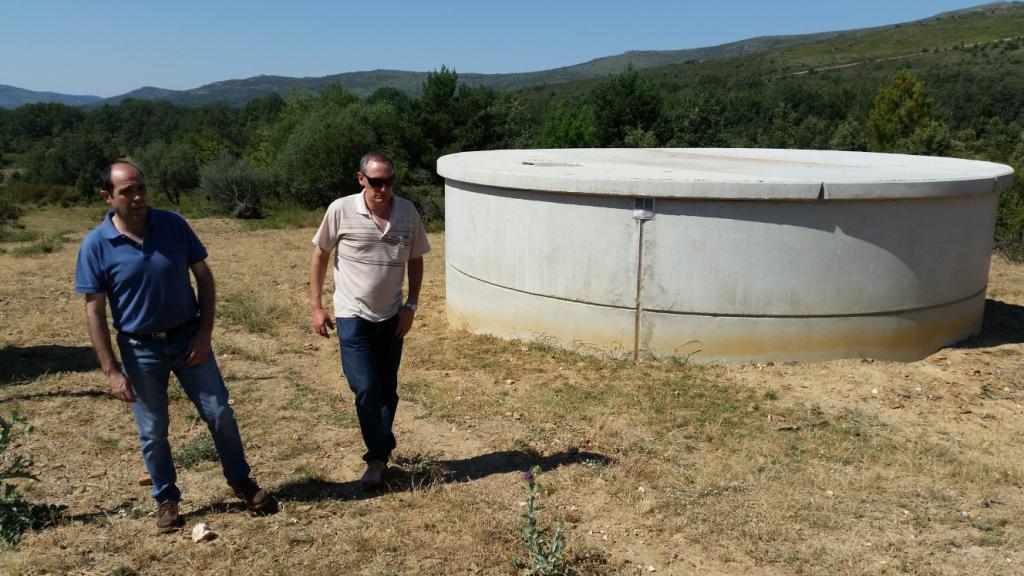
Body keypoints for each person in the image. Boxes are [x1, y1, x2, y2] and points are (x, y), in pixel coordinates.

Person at [75, 162, 271, 532]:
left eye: (141, 188)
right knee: (153, 430)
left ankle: (241, 481)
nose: (137, 197)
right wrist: (111, 370)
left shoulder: (173, 225)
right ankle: (166, 499)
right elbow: (94, 311)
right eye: (127, 191)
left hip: (188, 338)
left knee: (220, 413)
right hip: (139, 348)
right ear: (107, 197)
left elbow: (205, 278)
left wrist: (204, 333)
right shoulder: (95, 246)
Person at [309, 151, 430, 488]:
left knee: (387, 388)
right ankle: (378, 454)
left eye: (389, 181)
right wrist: (317, 305)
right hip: (352, 314)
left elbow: (416, 259)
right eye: (376, 182)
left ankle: (378, 457)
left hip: (392, 314)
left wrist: (411, 305)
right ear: (361, 179)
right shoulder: (340, 210)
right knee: (365, 388)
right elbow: (320, 255)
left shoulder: (407, 212)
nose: (383, 188)